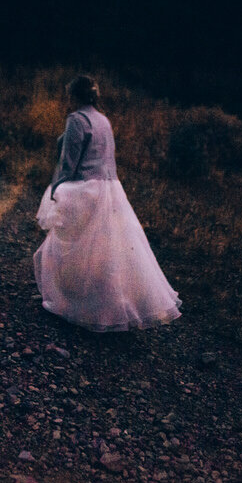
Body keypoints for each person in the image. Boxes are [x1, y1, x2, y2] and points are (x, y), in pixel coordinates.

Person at [33, 75, 181, 331]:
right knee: (103, 252)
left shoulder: (76, 120)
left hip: (85, 189)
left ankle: (70, 302)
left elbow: (70, 164)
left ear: (74, 96)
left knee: (68, 247)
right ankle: (102, 305)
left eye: (69, 95)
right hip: (111, 189)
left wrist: (56, 188)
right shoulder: (103, 120)